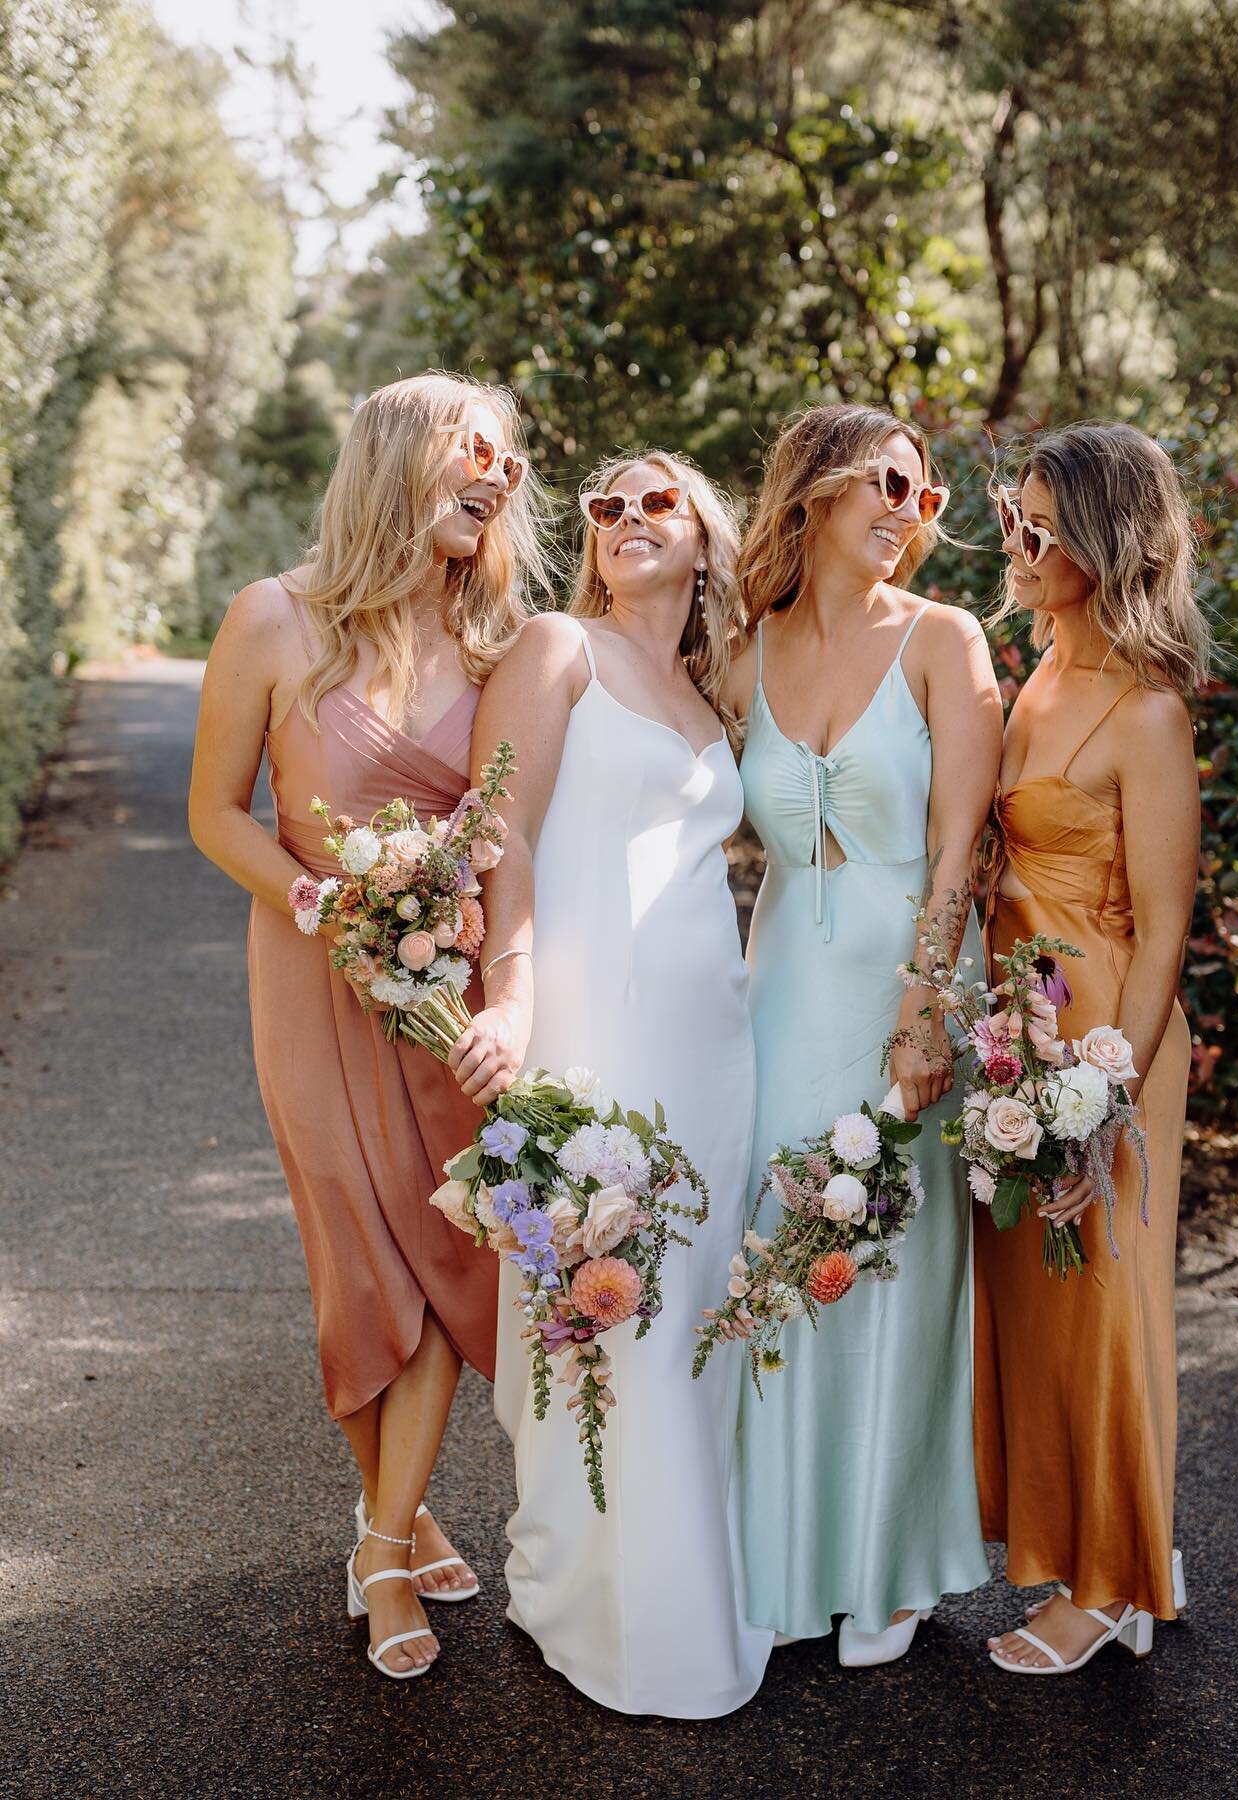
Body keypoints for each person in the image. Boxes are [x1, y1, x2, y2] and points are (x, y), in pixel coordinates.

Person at [189, 372, 549, 1679]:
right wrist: (319, 897)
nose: (501, 476)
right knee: (361, 1260)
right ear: (399, 457)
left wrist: (509, 982)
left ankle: (382, 1539)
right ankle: (395, 1534)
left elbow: (511, 840)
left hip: (434, 998)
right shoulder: (273, 622)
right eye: (477, 449)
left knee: (446, 1262)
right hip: (308, 975)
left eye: (510, 461)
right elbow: (215, 810)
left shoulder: (499, 642)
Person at [448, 450, 772, 1717]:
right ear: (587, 537)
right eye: (606, 505)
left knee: (688, 1305)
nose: (630, 519)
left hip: (713, 1045)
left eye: (659, 503)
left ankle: (695, 1564)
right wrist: (512, 997)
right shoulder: (557, 648)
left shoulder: (711, 686)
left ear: (705, 538)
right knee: (604, 1293)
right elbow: (501, 828)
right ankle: (595, 1590)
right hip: (599, 1033)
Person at [722, 403, 1003, 1667]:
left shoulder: (946, 640)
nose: (909, 508)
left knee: (896, 1262)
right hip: (779, 983)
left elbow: (960, 850)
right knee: (785, 1245)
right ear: (818, 491)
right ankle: (785, 1553)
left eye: (925, 494)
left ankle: (890, 1568)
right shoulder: (743, 651)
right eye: (890, 482)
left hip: (908, 975)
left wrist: (924, 1007)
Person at [978, 420, 1205, 1674]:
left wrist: (1106, 1092)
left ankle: (1114, 1587)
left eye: (1042, 526)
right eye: (1012, 516)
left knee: (1109, 1297)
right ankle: (1115, 1542)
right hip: (1023, 1026)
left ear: (1105, 545)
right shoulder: (1034, 679)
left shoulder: (1147, 713)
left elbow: (1169, 927)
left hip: (1113, 1034)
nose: (1015, 542)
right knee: (1047, 1309)